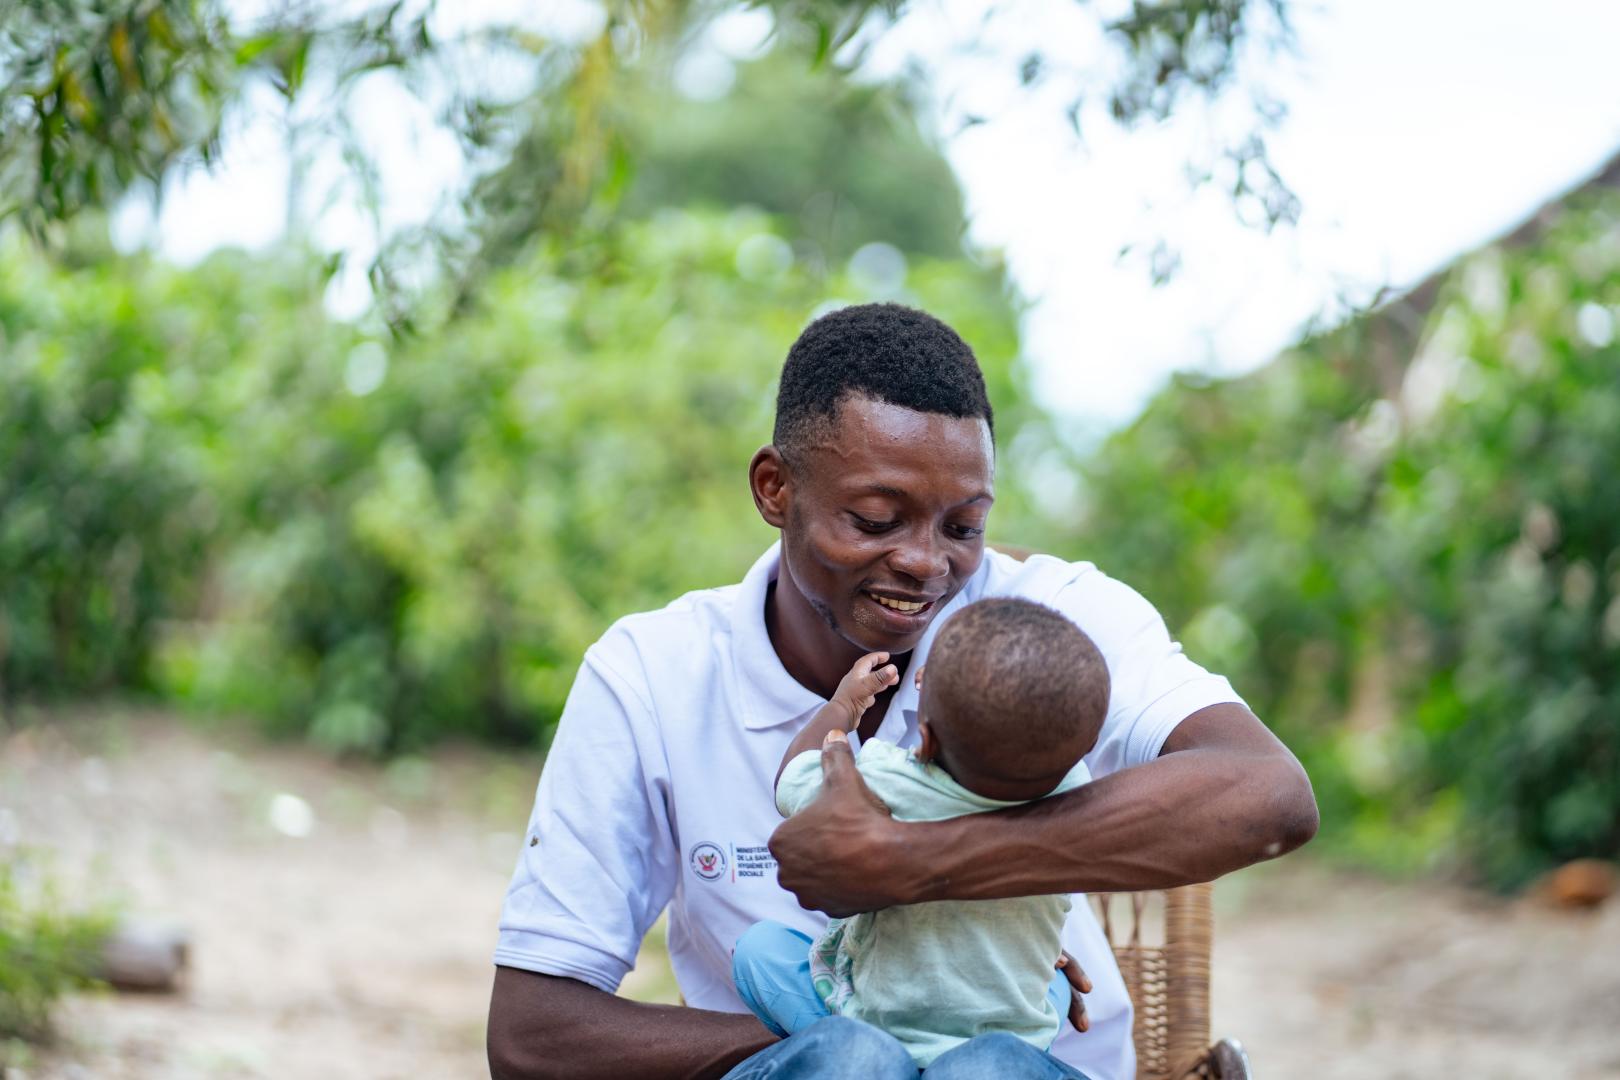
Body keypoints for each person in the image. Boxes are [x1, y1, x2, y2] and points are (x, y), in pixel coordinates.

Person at [487, 302, 1319, 1080]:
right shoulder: (652, 677)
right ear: (776, 489)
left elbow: (1269, 796)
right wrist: (856, 1035)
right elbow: (533, 1034)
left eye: (963, 526)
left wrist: (916, 865)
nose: (928, 564)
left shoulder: (1049, 624)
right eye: (876, 520)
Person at [731, 596, 1110, 1074]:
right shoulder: (1076, 797)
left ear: (924, 740)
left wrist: (844, 708)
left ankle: (877, 1057)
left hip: (879, 1019)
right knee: (1048, 981)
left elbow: (792, 778)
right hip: (1010, 1029)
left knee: (759, 950)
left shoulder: (887, 779)